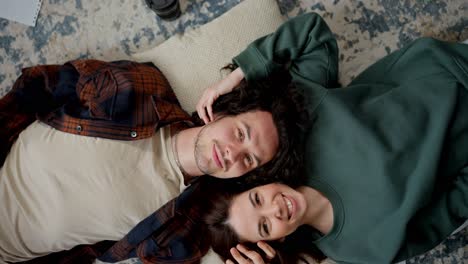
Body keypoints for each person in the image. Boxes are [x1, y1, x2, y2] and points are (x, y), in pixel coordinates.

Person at [196, 13, 468, 264]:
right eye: (265, 226)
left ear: (260, 182)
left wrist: (238, 74)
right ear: (275, 241)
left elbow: (312, 34)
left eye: (257, 199)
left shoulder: (299, 127)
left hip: (452, 67)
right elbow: (450, 211)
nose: (275, 209)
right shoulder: (356, 250)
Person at [0, 59, 303, 263]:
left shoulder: (188, 224)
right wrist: (239, 73)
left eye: (249, 159)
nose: (232, 153)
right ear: (222, 109)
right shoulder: (143, 87)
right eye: (240, 133)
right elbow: (40, 84)